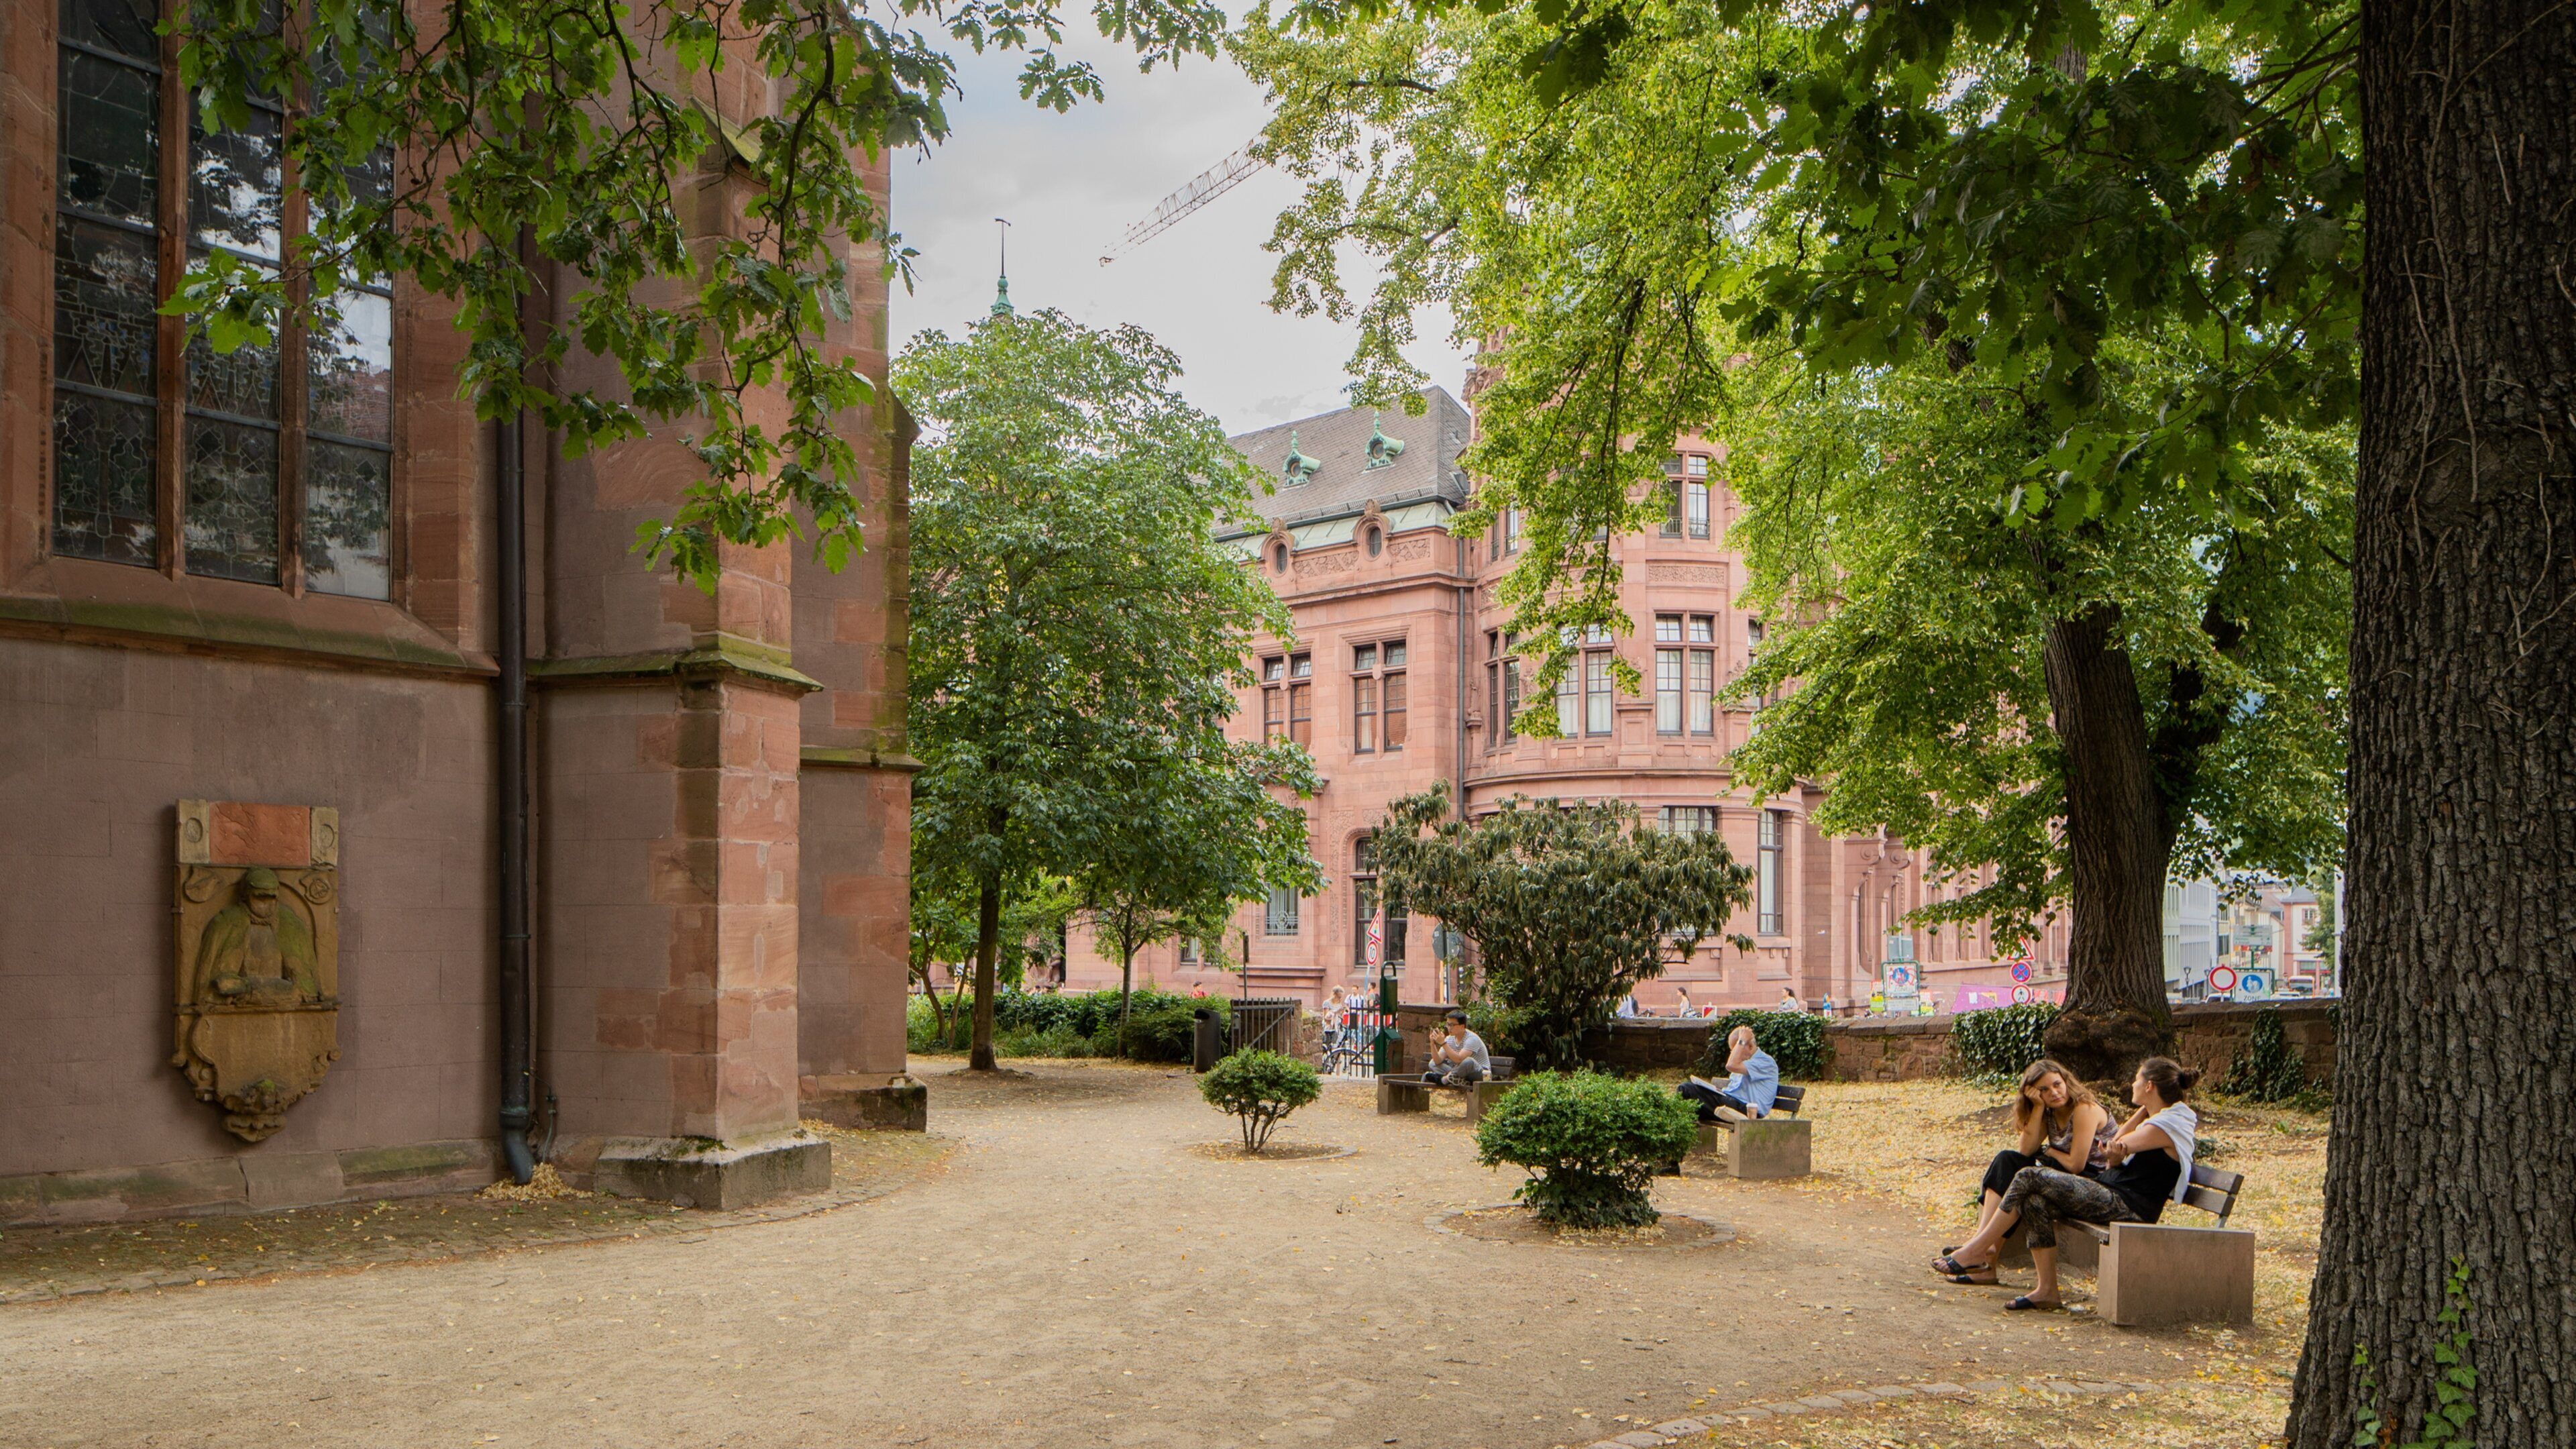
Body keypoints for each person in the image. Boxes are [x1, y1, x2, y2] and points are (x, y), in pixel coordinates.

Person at [1932, 1057, 2202, 1311]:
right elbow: (2117, 1148)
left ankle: (1978, 1249)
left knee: (2028, 1176)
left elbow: (2114, 1146)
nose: (2133, 1084)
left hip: (2128, 1205)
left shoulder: (2163, 1126)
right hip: (2114, 1194)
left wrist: (2123, 1141)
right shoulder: (2158, 1120)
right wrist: (2143, 1111)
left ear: (2149, 1086)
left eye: (2136, 1079)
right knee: (2034, 1201)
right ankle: (2047, 1291)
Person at [1935, 1059, 2112, 1285]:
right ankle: (1984, 1251)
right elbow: (2026, 1150)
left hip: (2093, 1183)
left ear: (2066, 1081)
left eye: (2057, 1084)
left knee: (2022, 1180)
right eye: (2044, 1090)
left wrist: (2050, 1151)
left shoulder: (2084, 1108)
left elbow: (2076, 1164)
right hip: (2065, 1175)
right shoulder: (2048, 1111)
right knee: (2006, 1161)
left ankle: (1980, 1249)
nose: (2054, 1093)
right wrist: (2038, 1107)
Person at [1678, 1026, 1779, 1121]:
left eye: (1736, 1050)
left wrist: (1742, 1040)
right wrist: (1718, 1091)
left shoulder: (1765, 1062)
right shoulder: (1743, 1063)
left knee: (1686, 1089)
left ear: (1751, 1047)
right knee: (1690, 1100)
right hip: (1732, 1103)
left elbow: (1730, 1066)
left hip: (1747, 1111)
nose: (1733, 1054)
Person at [1424, 1009, 1490, 1087]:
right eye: (1447, 1024)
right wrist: (1432, 1043)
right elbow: (1437, 1061)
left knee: (1469, 1061)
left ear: (1462, 1026)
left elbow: (1459, 1060)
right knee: (1432, 1064)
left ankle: (1444, 1080)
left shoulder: (1472, 1039)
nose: (1449, 1028)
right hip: (1461, 1074)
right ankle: (1459, 1080)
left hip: (1482, 1075)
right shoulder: (1449, 1039)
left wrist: (1443, 1043)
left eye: (1452, 1025)